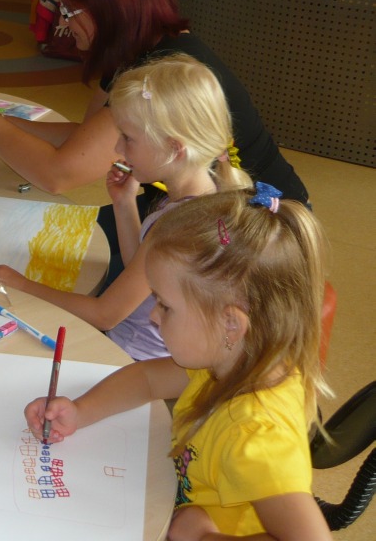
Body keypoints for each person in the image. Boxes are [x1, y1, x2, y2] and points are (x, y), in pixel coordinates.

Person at [0, 0, 307, 281]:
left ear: (107, 8)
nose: (62, 21)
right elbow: (86, 139)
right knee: (54, 246)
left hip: (255, 235)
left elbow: (58, 174)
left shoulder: (157, 75)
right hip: (189, 209)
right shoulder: (137, 47)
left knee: (65, 268)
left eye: (70, 10)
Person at [24, 187, 332, 540]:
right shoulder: (229, 360)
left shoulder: (255, 434)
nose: (153, 317)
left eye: (165, 306)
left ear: (231, 324)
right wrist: (80, 411)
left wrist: (204, 537)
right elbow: (147, 379)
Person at [0, 54, 252, 360]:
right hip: (140, 348)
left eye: (128, 138)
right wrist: (125, 204)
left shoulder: (179, 226)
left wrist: (21, 284)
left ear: (173, 148)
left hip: (130, 356)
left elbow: (105, 315)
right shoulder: (204, 195)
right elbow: (144, 271)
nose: (117, 149)